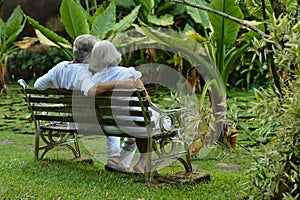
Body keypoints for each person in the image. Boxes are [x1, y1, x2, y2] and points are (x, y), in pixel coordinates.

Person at [34, 34, 137, 172]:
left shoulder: (60, 67)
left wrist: (60, 88)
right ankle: (116, 161)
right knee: (118, 122)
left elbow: (38, 86)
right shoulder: (86, 73)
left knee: (107, 115)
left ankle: (119, 164)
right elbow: (91, 91)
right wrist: (120, 83)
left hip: (71, 121)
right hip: (91, 122)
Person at [88, 40, 159, 175]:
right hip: (135, 123)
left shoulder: (94, 79)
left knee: (137, 132)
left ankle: (121, 164)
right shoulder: (130, 73)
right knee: (153, 123)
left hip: (109, 125)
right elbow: (147, 100)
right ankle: (143, 163)